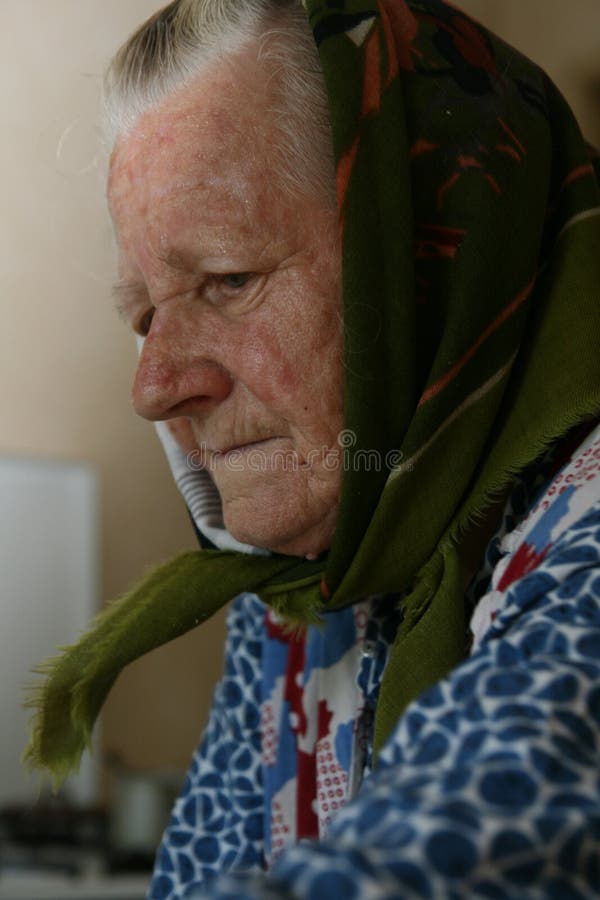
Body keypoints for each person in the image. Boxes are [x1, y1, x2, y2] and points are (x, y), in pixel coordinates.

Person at [25, 0, 600, 897]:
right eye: (144, 314)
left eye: (228, 278)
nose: (154, 384)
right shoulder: (299, 593)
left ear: (434, 250)